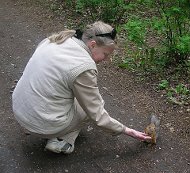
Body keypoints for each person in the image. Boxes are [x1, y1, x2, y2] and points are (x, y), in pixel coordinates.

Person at [12, 21, 151, 154]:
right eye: (106, 54)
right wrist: (126, 130)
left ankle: (39, 123)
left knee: (75, 94)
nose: (106, 59)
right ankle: (61, 141)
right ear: (92, 44)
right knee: (94, 105)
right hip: (43, 123)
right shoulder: (83, 66)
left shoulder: (57, 40)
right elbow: (96, 113)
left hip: (20, 109)